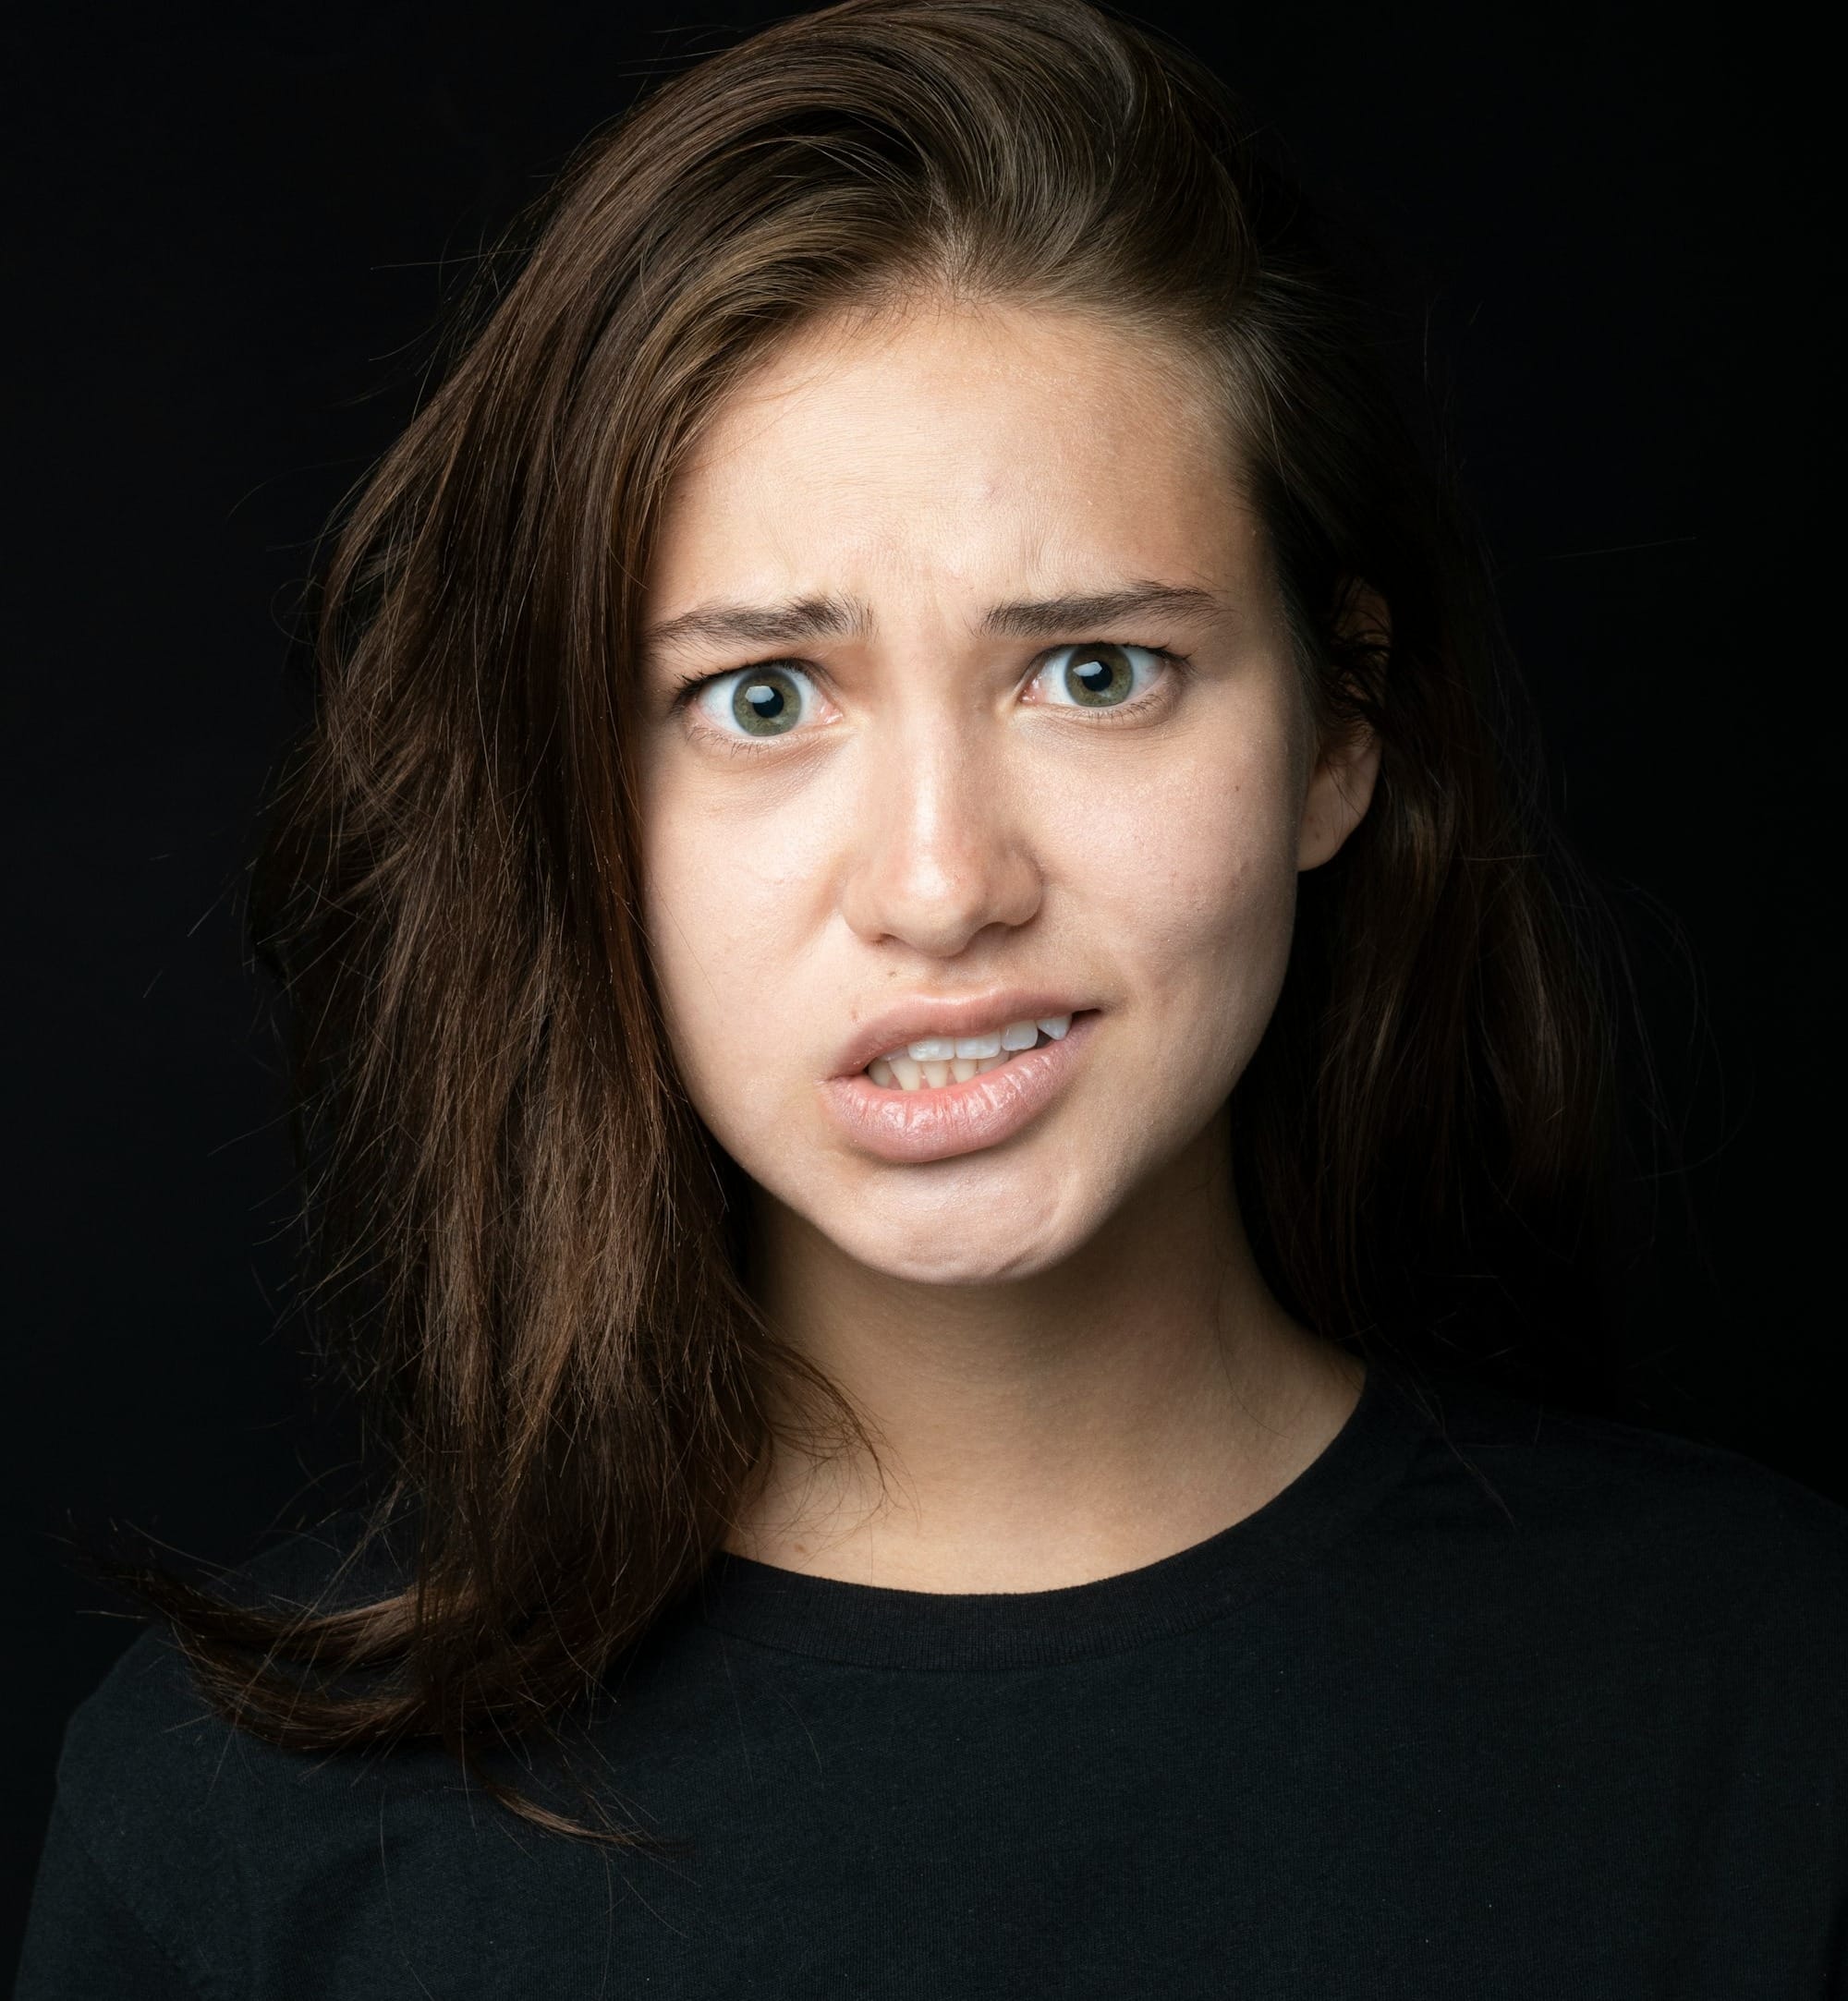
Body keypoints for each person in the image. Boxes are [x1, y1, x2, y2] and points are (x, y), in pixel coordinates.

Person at [17, 1, 1845, 1995]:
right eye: (761, 699)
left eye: (1091, 673)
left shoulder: (1775, 1704)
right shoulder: (231, 1831)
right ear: (574, 808)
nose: (941, 885)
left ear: (1342, 731)